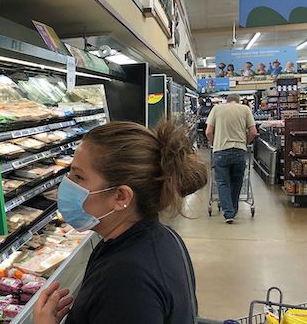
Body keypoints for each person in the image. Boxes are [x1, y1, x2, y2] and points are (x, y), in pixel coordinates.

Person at [34, 120, 205, 324]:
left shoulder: (126, 280)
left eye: (78, 176)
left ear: (121, 197)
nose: (67, 183)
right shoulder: (161, 236)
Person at [205, 94, 258, 223]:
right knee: (237, 182)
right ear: (238, 101)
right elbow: (253, 132)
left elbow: (208, 132)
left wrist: (215, 143)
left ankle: (228, 213)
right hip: (239, 150)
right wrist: (245, 142)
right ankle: (233, 210)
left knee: (223, 183)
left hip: (221, 151)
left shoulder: (216, 109)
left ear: (227, 101)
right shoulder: (245, 109)